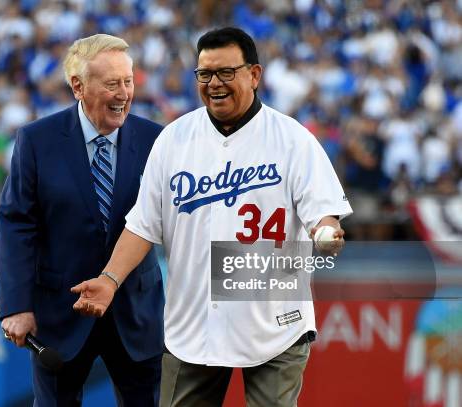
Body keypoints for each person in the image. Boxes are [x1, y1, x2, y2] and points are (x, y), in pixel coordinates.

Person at [71, 27, 353, 407]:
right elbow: (143, 225)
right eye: (205, 74)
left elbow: (324, 215)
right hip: (194, 323)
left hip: (275, 318)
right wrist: (109, 279)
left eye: (225, 72)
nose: (214, 83)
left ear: (254, 75)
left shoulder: (293, 139)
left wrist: (327, 232)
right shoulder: (174, 139)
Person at [0, 34, 165, 406]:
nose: (123, 93)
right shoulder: (36, 140)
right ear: (78, 86)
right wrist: (15, 304)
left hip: (136, 313)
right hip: (60, 313)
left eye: (128, 81)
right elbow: (16, 226)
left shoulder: (159, 140)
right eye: (111, 84)